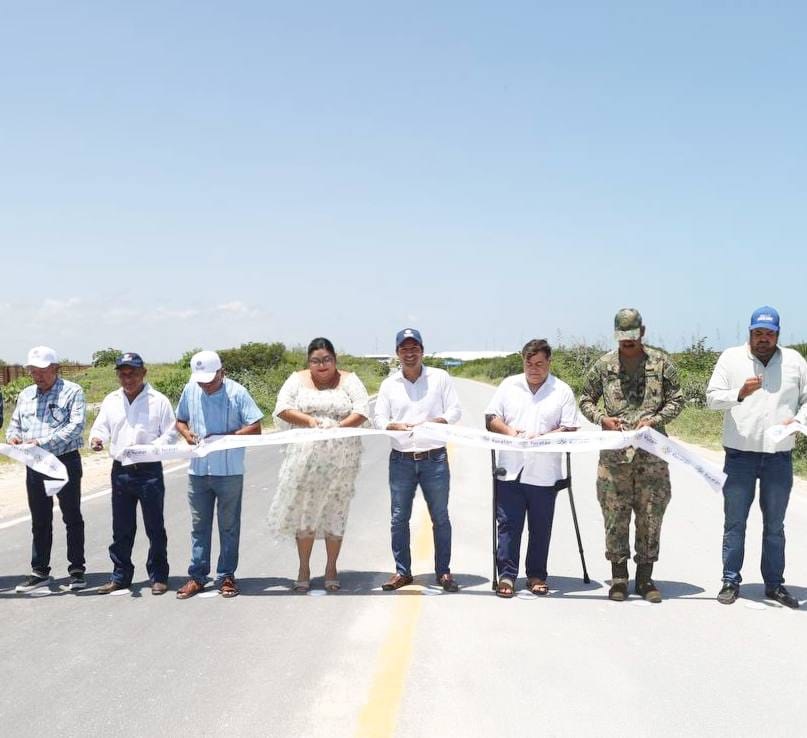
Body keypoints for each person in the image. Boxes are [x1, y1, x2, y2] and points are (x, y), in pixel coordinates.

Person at [579, 309, 684, 603]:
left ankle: (645, 578)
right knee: (615, 514)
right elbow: (585, 398)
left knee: (651, 514)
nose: (627, 342)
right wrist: (602, 419)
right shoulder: (604, 365)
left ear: (643, 331)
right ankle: (619, 577)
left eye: (632, 336)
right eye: (622, 337)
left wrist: (655, 420)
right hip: (615, 456)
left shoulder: (661, 363)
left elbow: (678, 399)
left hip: (652, 453)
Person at [706, 306, 807, 608]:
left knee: (775, 526)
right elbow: (712, 399)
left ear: (778, 334)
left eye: (770, 333)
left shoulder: (794, 361)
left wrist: (799, 422)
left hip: (779, 457)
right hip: (740, 456)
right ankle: (729, 581)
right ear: (749, 332)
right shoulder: (731, 358)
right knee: (735, 523)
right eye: (758, 333)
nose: (764, 338)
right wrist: (738, 393)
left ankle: (775, 585)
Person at [268, 338, 370, 592]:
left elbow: (362, 410)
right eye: (316, 360)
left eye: (327, 360)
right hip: (304, 460)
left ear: (335, 360)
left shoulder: (350, 380)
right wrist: (310, 422)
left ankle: (331, 567)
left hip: (342, 462)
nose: (321, 365)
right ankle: (304, 568)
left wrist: (338, 427)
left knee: (335, 513)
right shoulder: (297, 379)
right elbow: (282, 408)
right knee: (306, 513)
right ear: (308, 362)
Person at [484, 339, 578, 598]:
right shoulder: (508, 386)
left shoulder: (562, 391)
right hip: (510, 468)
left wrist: (545, 436)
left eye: (539, 364)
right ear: (522, 361)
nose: (533, 368)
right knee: (508, 524)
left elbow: (570, 428)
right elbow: (491, 418)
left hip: (545, 473)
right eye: (529, 363)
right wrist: (510, 431)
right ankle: (507, 575)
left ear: (549, 362)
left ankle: (536, 575)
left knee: (540, 526)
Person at [373, 328, 462, 592]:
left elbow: (455, 410)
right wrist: (392, 425)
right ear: (397, 353)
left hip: (434, 459)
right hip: (401, 459)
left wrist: (440, 421)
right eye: (404, 349)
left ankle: (443, 572)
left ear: (422, 351)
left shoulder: (440, 378)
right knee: (399, 518)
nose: (409, 354)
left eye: (414, 349)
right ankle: (403, 572)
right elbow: (378, 417)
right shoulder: (389, 385)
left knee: (440, 517)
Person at [174, 350, 263, 599]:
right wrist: (187, 434)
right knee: (199, 526)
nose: (206, 385)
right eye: (201, 380)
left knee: (229, 526)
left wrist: (229, 438)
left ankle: (226, 576)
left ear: (222, 372)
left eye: (211, 379)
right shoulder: (190, 389)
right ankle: (198, 576)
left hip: (229, 471)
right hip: (198, 471)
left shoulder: (237, 392)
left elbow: (256, 427)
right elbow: (180, 420)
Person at [89, 353, 177, 595]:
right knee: (122, 528)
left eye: (133, 374)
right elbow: (101, 427)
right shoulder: (111, 400)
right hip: (120, 472)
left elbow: (171, 433)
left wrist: (150, 449)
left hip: (149, 471)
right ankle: (121, 575)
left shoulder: (158, 400)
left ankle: (158, 576)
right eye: (123, 374)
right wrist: (97, 439)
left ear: (143, 373)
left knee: (154, 527)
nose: (128, 379)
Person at [6, 346, 86, 592]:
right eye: (32, 371)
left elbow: (75, 427)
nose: (37, 376)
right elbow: (14, 425)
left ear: (55, 368)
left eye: (42, 371)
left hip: (64, 462)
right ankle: (40, 571)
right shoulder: (26, 394)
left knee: (71, 516)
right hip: (35, 464)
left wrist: (42, 442)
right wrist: (14, 438)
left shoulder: (72, 391)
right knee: (40, 518)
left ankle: (77, 571)